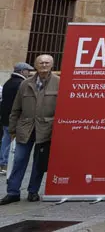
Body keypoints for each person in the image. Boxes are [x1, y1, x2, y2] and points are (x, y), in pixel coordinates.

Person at [2, 55, 59, 205]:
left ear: (52, 65)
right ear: (35, 65)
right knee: (19, 161)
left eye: (47, 62)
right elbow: (16, 108)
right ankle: (12, 192)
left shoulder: (59, 83)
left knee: (39, 163)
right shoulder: (25, 84)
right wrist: (12, 129)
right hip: (25, 128)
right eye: (41, 63)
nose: (44, 65)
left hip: (46, 129)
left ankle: (33, 191)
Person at [0, 63, 32, 174]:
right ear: (22, 71)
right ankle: (4, 163)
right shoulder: (21, 83)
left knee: (6, 139)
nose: (29, 73)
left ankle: (2, 163)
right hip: (13, 117)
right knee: (10, 141)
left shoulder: (9, 82)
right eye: (28, 70)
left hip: (5, 116)